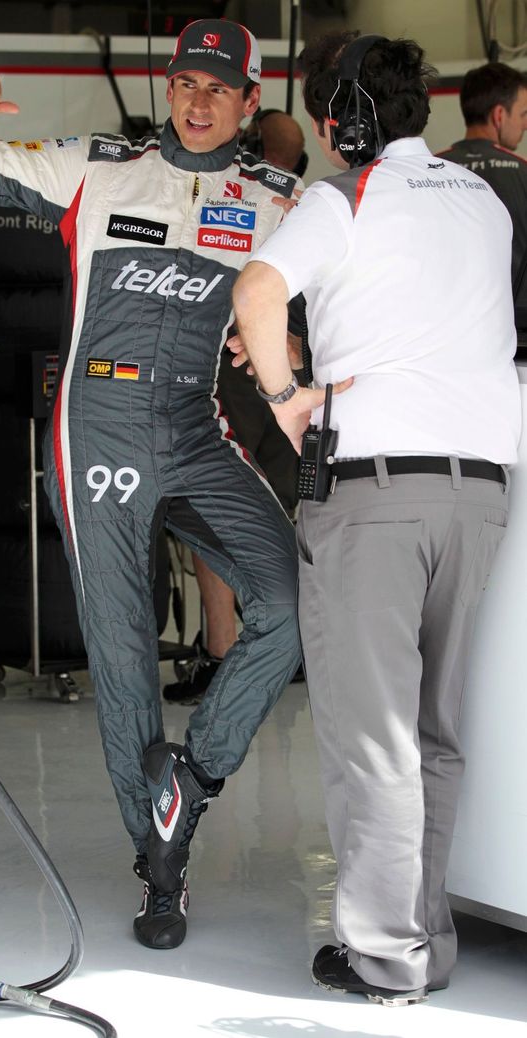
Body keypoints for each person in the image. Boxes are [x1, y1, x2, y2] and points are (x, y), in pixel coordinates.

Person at [0, 19, 336, 950]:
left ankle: (191, 776)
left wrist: (301, 343)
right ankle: (162, 867)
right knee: (121, 651)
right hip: (95, 422)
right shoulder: (97, 166)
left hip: (194, 422)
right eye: (185, 81)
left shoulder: (280, 199)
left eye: (217, 88)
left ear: (249, 103)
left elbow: (335, 291)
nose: (195, 101)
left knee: (290, 598)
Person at [234, 31, 520, 1005]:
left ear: (341, 119)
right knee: (433, 733)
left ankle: (386, 959)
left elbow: (257, 287)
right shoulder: (479, 197)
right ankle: (420, 941)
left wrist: (285, 396)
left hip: (374, 495)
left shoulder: (339, 196)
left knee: (373, 736)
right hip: (481, 492)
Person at [164, 110, 307, 704]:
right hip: (284, 369)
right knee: (281, 510)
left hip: (246, 368)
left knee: (222, 510)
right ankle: (269, 646)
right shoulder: (304, 202)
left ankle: (225, 650)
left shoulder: (252, 196)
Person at [437, 63, 527, 340]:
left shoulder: (427, 169)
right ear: (499, 115)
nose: (525, 124)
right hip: (516, 337)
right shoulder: (524, 171)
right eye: (523, 114)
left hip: (443, 334)